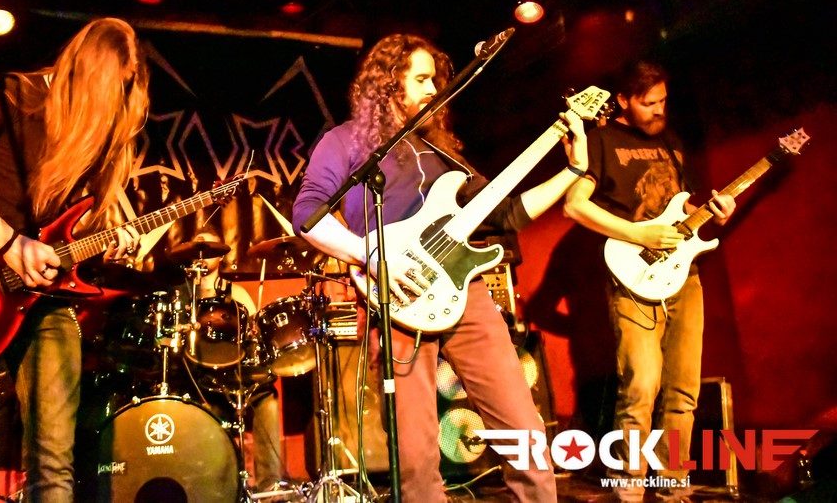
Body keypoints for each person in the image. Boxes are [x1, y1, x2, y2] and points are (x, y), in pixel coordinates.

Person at [291, 33, 589, 503]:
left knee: (524, 431)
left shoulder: (443, 154)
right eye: (422, 78)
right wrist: (371, 255)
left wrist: (572, 172)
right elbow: (307, 214)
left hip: (465, 293)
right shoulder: (344, 141)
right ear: (388, 83)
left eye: (436, 79)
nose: (434, 89)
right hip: (393, 297)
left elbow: (507, 213)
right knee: (413, 454)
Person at [0, 17, 150, 501]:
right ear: (86, 70)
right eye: (112, 87)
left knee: (54, 462)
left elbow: (67, 223)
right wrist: (9, 242)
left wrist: (108, 238)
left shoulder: (102, 133)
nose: (114, 103)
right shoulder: (10, 96)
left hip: (46, 297)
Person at [563, 59, 735, 502]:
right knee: (640, 386)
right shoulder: (600, 141)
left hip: (683, 274)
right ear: (623, 100)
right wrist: (637, 234)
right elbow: (575, 205)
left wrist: (714, 213)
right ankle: (629, 490)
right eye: (648, 102)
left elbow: (681, 209)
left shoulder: (670, 141)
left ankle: (672, 486)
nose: (659, 110)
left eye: (663, 101)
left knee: (683, 390)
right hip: (632, 276)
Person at [184, 229, 285, 493]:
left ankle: (270, 485)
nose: (203, 253)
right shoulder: (183, 295)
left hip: (235, 373)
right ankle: (217, 488)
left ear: (220, 256)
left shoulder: (236, 293)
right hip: (199, 377)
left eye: (210, 248)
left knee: (267, 398)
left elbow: (255, 333)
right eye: (198, 247)